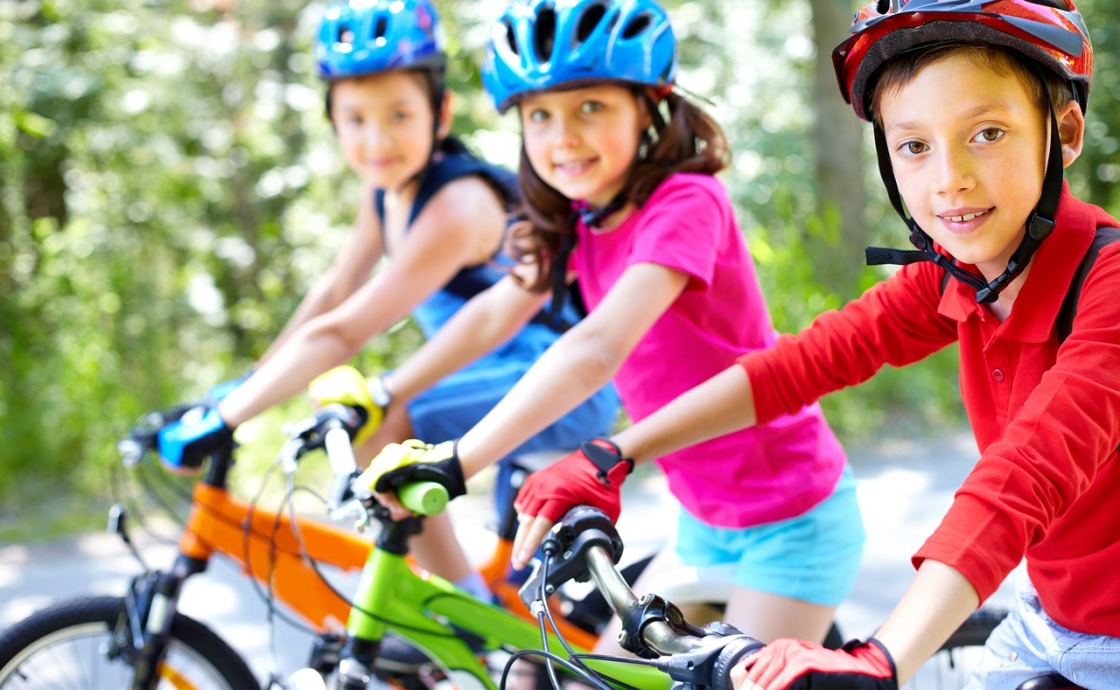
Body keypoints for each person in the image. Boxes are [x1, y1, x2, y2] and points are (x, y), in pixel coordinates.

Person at [509, 0, 1119, 688]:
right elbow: (796, 367)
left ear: (1064, 131)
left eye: (986, 133)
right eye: (915, 146)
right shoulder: (955, 277)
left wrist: (882, 659)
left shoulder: (1111, 288)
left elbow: (1024, 477)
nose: (949, 179)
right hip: (1049, 622)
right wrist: (614, 453)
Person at [343, 0, 865, 651]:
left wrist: (460, 458)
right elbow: (495, 313)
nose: (563, 137)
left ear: (647, 106)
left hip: (791, 521)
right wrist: (389, 392)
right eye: (540, 115)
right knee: (598, 674)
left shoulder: (686, 202)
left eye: (591, 107)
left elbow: (596, 347)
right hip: (704, 520)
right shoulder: (581, 221)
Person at [155, 0, 619, 622]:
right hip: (488, 379)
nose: (378, 140)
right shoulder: (386, 193)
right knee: (389, 430)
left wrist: (231, 414)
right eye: (355, 119)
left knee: (391, 420)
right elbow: (334, 293)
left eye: (400, 115)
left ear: (441, 113)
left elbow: (348, 328)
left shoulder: (454, 205)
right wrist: (239, 391)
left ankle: (468, 615)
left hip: (557, 384)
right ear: (333, 122)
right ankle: (472, 610)